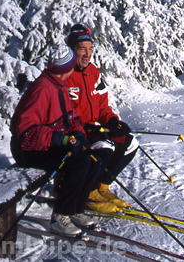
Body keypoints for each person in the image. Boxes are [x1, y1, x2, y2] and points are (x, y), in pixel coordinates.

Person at [10, 44, 112, 236]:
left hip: (47, 144)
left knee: (90, 154)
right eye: (72, 65)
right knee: (79, 160)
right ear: (66, 68)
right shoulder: (42, 89)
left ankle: (75, 210)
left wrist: (78, 134)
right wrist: (61, 140)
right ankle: (61, 216)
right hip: (29, 150)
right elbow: (26, 132)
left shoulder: (59, 85)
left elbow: (72, 117)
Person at [65, 24, 139, 213]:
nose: (87, 54)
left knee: (130, 143)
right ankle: (88, 194)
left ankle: (101, 186)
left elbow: (103, 107)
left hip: (94, 130)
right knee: (104, 148)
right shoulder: (65, 76)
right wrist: (84, 129)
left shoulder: (94, 73)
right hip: (76, 135)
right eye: (82, 49)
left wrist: (113, 122)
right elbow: (64, 115)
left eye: (90, 49)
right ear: (72, 50)